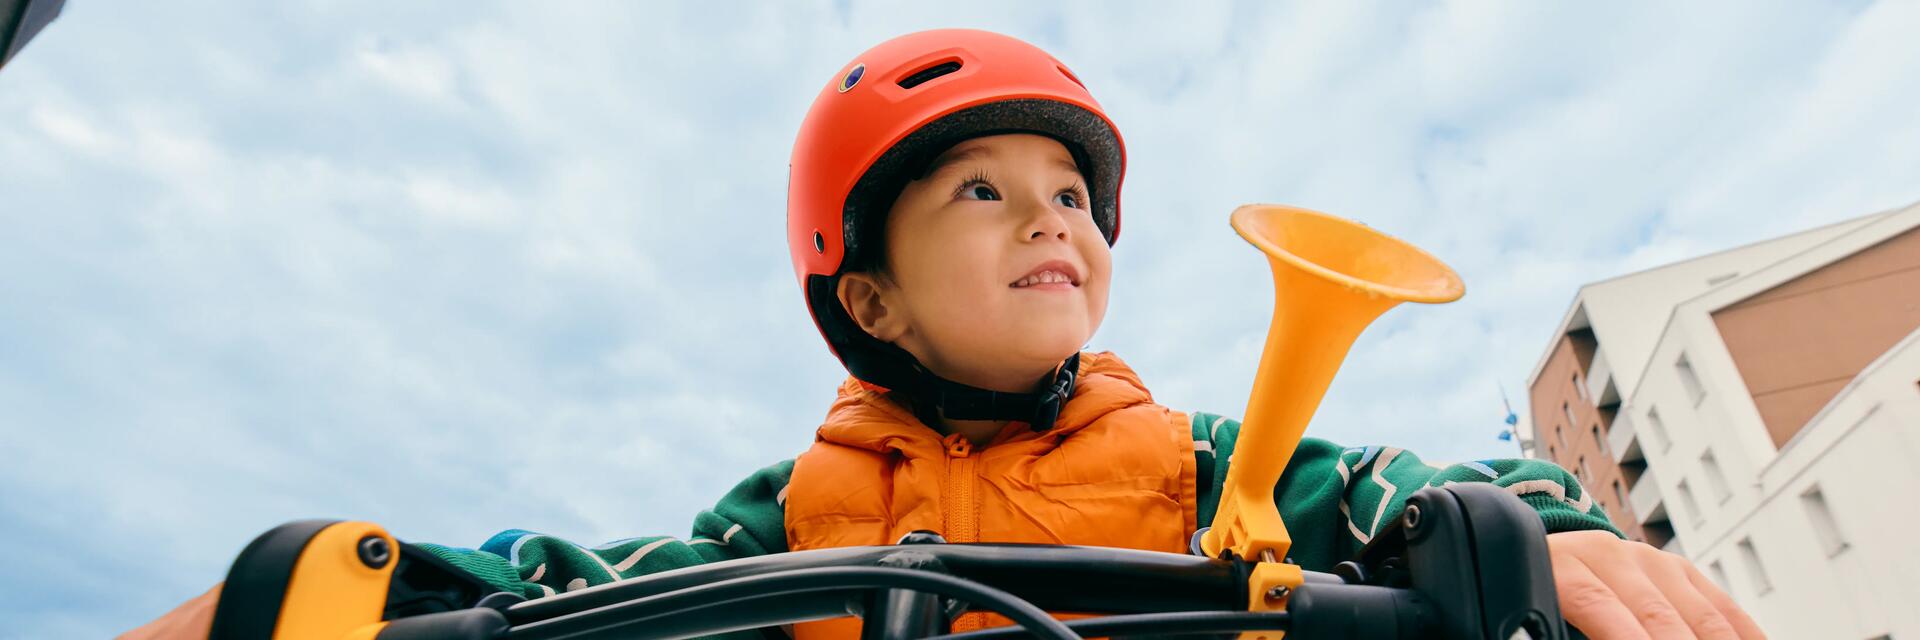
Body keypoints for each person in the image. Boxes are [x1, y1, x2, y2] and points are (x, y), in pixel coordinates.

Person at [124, 29, 1764, 640]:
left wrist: (1540, 534)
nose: (1054, 219)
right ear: (871, 300)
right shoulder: (792, 515)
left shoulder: (1211, 464)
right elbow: (585, 590)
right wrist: (353, 585)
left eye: (1070, 194)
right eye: (983, 192)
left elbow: (1401, 491)